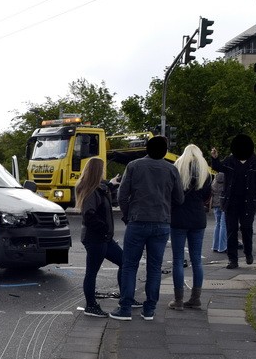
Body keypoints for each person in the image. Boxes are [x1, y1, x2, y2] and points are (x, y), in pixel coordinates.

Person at [111, 135, 184, 321]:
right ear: (165, 151)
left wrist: (128, 215)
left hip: (137, 220)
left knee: (129, 265)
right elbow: (180, 199)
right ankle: (149, 309)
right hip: (161, 223)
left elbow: (121, 195)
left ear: (147, 148)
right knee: (154, 267)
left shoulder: (134, 166)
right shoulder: (171, 169)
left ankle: (125, 308)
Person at [76, 158, 123, 318]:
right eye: (102, 169)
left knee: (124, 262)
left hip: (104, 238)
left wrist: (112, 183)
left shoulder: (97, 188)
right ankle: (91, 306)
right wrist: (103, 229)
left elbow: (103, 190)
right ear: (98, 171)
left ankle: (126, 298)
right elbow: (89, 215)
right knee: (92, 272)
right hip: (96, 239)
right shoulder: (91, 191)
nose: (104, 171)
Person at [210, 135, 256, 269]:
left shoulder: (255, 161)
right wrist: (215, 157)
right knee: (231, 230)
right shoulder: (230, 160)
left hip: (248, 201)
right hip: (231, 201)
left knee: (247, 228)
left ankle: (248, 253)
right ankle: (232, 260)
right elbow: (218, 167)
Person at [168, 145, 213, 310]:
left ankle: (178, 299)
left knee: (178, 260)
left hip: (179, 217)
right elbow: (207, 196)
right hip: (198, 219)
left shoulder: (177, 169)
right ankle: (196, 298)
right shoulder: (205, 172)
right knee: (196, 261)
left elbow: (171, 193)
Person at [210, 171, 227, 252]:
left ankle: (215, 246)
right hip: (224, 204)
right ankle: (223, 247)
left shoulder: (215, 180)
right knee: (224, 225)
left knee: (218, 224)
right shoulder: (227, 179)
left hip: (216, 203)